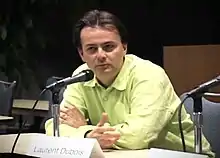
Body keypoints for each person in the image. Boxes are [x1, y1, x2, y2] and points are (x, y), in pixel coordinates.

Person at [45, 9, 214, 157]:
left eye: (109, 46)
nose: (101, 55)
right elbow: (55, 127)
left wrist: (84, 130)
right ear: (82, 54)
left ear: (124, 47)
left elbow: (138, 137)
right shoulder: (81, 75)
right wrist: (89, 134)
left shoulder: (149, 75)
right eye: (92, 49)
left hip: (179, 155)